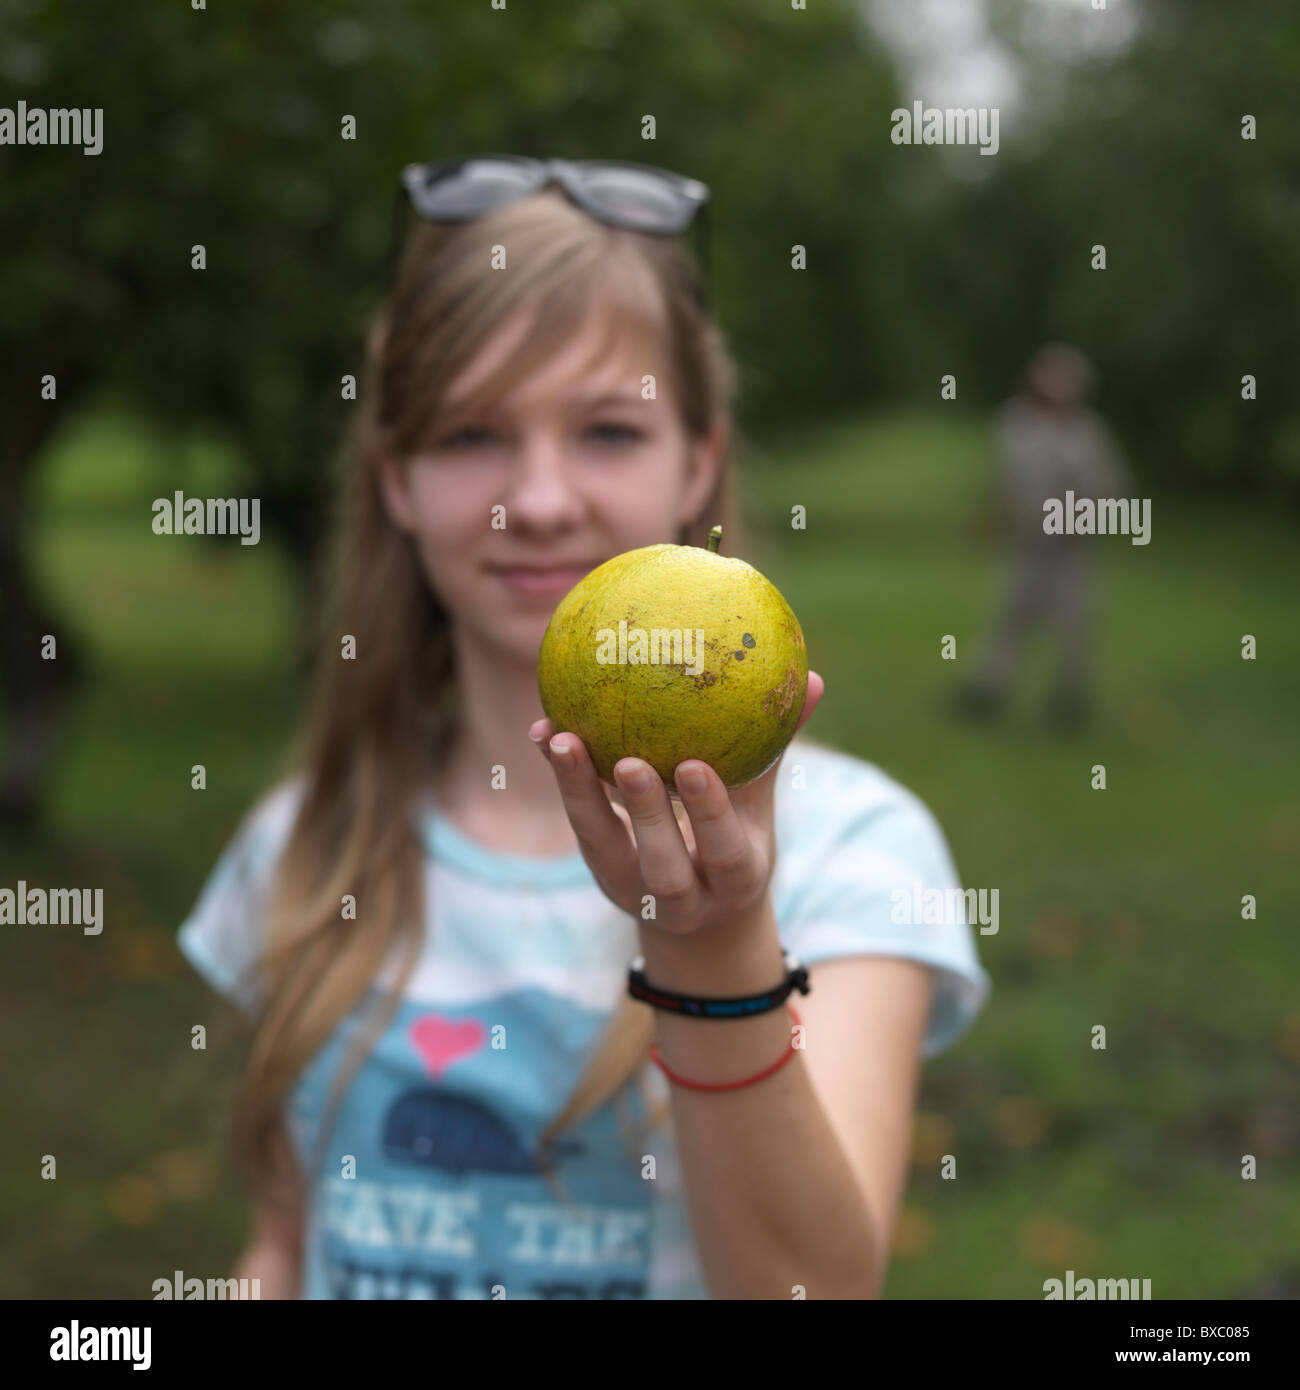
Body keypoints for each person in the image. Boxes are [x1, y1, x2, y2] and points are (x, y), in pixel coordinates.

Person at [177, 156, 991, 1300]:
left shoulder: (853, 854)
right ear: (396, 481)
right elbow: (282, 1247)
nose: (542, 498)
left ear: (696, 464)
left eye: (608, 430)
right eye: (470, 436)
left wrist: (715, 950)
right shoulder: (307, 843)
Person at [958, 343, 1129, 730]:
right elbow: (1002, 481)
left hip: (1069, 550)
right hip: (1026, 547)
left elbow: (1109, 489)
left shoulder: (1087, 435)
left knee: (1075, 623)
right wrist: (994, 519)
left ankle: (1070, 699)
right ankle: (988, 689)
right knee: (1010, 617)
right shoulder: (1014, 423)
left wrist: (1070, 516)